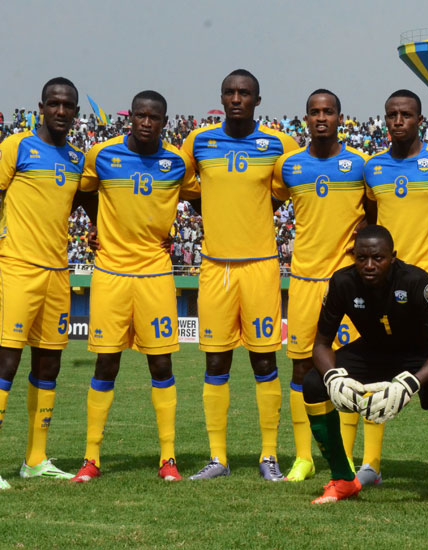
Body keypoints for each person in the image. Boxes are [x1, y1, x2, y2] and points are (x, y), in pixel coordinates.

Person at [69, 91, 200, 483]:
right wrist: (98, 226)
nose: (146, 122)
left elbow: (202, 202)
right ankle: (91, 458)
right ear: (131, 117)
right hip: (110, 272)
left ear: (164, 122)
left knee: (161, 363)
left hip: (155, 274)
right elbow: (82, 192)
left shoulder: (177, 163)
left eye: (153, 117)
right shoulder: (102, 155)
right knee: (106, 361)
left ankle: (168, 458)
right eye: (140, 115)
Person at [181, 69, 298, 480]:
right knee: (216, 361)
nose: (236, 99)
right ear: (220, 97)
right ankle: (218, 458)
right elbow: (182, 186)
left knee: (264, 360)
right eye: (229, 92)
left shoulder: (279, 144)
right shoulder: (198, 142)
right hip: (215, 267)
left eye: (244, 93)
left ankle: (269, 456)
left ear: (257, 100)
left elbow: (287, 191)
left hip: (260, 266)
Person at [302, 224, 428, 512]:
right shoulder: (342, 282)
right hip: (372, 352)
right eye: (362, 258)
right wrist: (332, 377)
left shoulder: (417, 281)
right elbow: (320, 345)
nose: (369, 265)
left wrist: (410, 384)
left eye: (377, 258)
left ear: (393, 256)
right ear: (353, 256)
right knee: (314, 383)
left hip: (421, 354)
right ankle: (343, 479)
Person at [357, 89, 428, 487]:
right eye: (391, 114)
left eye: (406, 114)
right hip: (382, 287)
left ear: (420, 119)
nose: (398, 121)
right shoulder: (373, 168)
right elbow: (371, 222)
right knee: (374, 372)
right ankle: (371, 465)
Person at [0, 77, 96, 488]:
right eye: (53, 103)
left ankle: (35, 459)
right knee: (6, 361)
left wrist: (101, 232)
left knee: (49, 363)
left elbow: (89, 203)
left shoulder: (76, 159)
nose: (60, 110)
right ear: (40, 107)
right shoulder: (17, 147)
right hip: (16, 266)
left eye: (68, 105)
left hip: (57, 273)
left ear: (76, 112)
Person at [272, 89, 371, 481]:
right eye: (314, 112)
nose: (321, 118)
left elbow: (377, 213)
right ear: (306, 119)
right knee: (301, 367)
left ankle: (344, 458)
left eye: (328, 111)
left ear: (340, 118)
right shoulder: (289, 166)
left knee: (350, 371)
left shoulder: (360, 165)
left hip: (348, 284)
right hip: (303, 281)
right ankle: (304, 457)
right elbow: (262, 204)